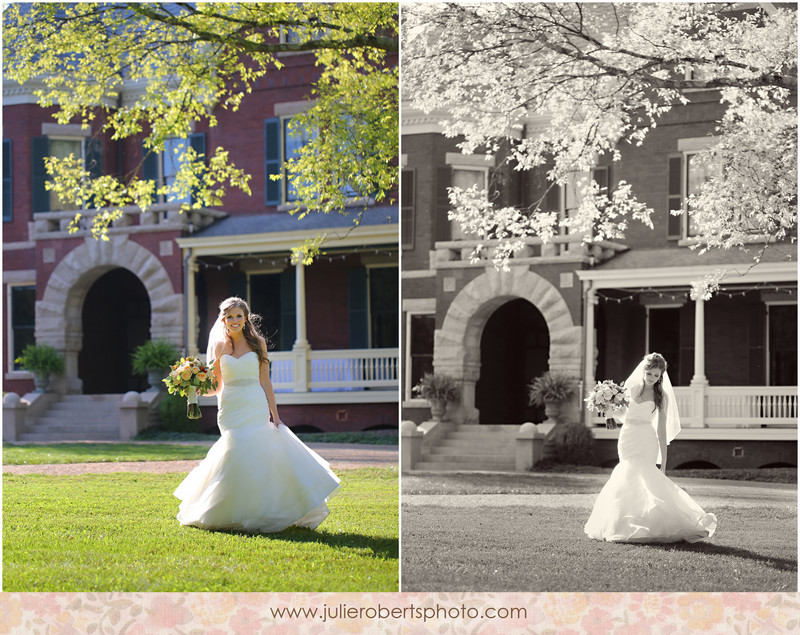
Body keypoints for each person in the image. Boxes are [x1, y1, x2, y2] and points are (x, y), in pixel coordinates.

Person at [174, 297, 341, 533]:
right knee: (235, 451)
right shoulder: (219, 346)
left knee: (257, 453)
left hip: (254, 402)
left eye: (238, 316)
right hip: (231, 407)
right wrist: (192, 388)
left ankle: (263, 510)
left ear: (245, 318)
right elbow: (216, 386)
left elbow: (265, 381)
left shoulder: (258, 343)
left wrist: (276, 415)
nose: (234, 321)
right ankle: (226, 509)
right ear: (224, 319)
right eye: (229, 316)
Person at [584, 353, 717, 543]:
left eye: (657, 375)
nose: (653, 378)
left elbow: (661, 429)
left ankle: (667, 524)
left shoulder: (661, 396)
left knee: (647, 477)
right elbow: (622, 414)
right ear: (644, 370)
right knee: (627, 476)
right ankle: (623, 524)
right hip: (628, 437)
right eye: (650, 374)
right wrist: (607, 411)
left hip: (648, 439)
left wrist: (664, 459)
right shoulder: (627, 390)